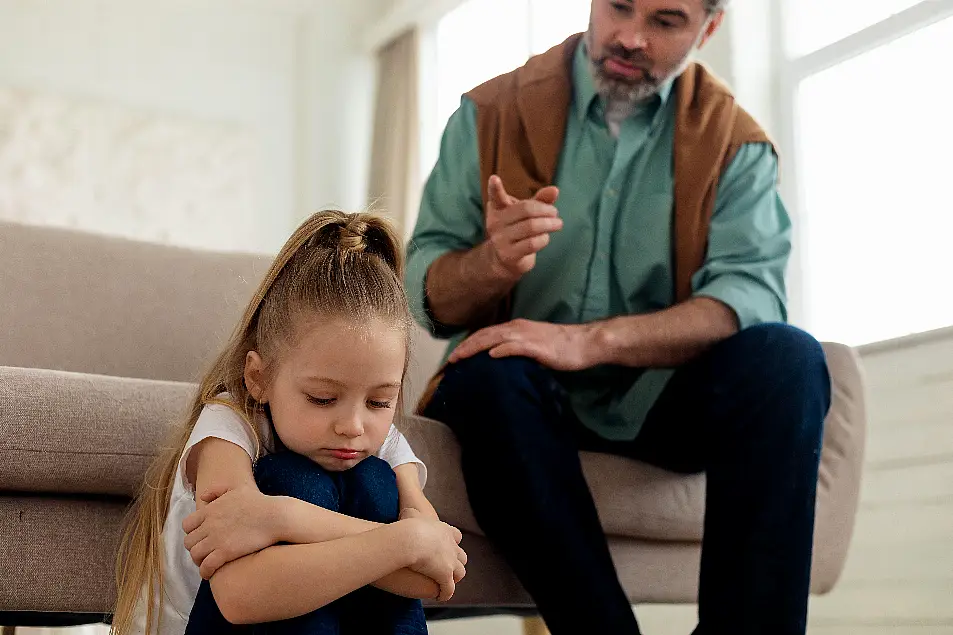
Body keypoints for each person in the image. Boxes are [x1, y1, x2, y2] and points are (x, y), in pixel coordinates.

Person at [406, 0, 831, 634]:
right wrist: (491, 264)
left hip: (659, 402)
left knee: (790, 360)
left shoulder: (736, 144)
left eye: (665, 21)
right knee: (487, 379)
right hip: (516, 396)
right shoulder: (486, 115)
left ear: (707, 29)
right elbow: (426, 292)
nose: (629, 37)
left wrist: (590, 342)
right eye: (619, 7)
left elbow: (750, 296)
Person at [111, 210, 467, 635]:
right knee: (295, 478)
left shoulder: (379, 441)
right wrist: (404, 541)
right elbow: (240, 596)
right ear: (258, 378)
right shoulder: (229, 428)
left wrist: (280, 518)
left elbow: (433, 575)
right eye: (322, 398)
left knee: (374, 479)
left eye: (379, 400)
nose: (353, 425)